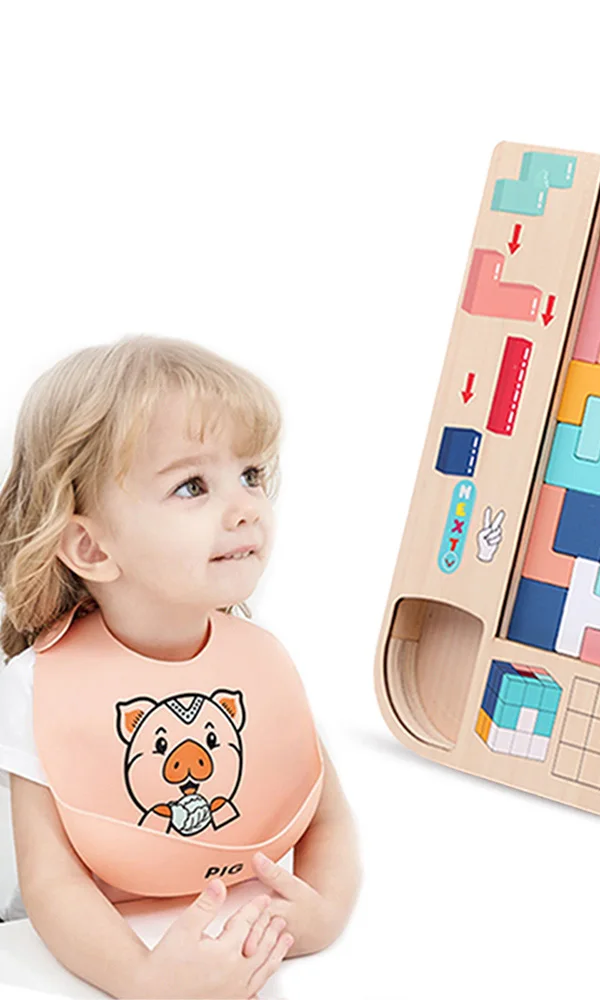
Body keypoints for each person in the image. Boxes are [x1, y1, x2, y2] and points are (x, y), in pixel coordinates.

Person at [0, 335, 361, 998]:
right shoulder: (37, 687)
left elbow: (326, 817)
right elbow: (52, 883)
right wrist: (145, 981)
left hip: (222, 926)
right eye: (192, 485)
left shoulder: (259, 662)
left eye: (251, 475)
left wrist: (324, 911)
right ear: (90, 546)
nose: (246, 507)